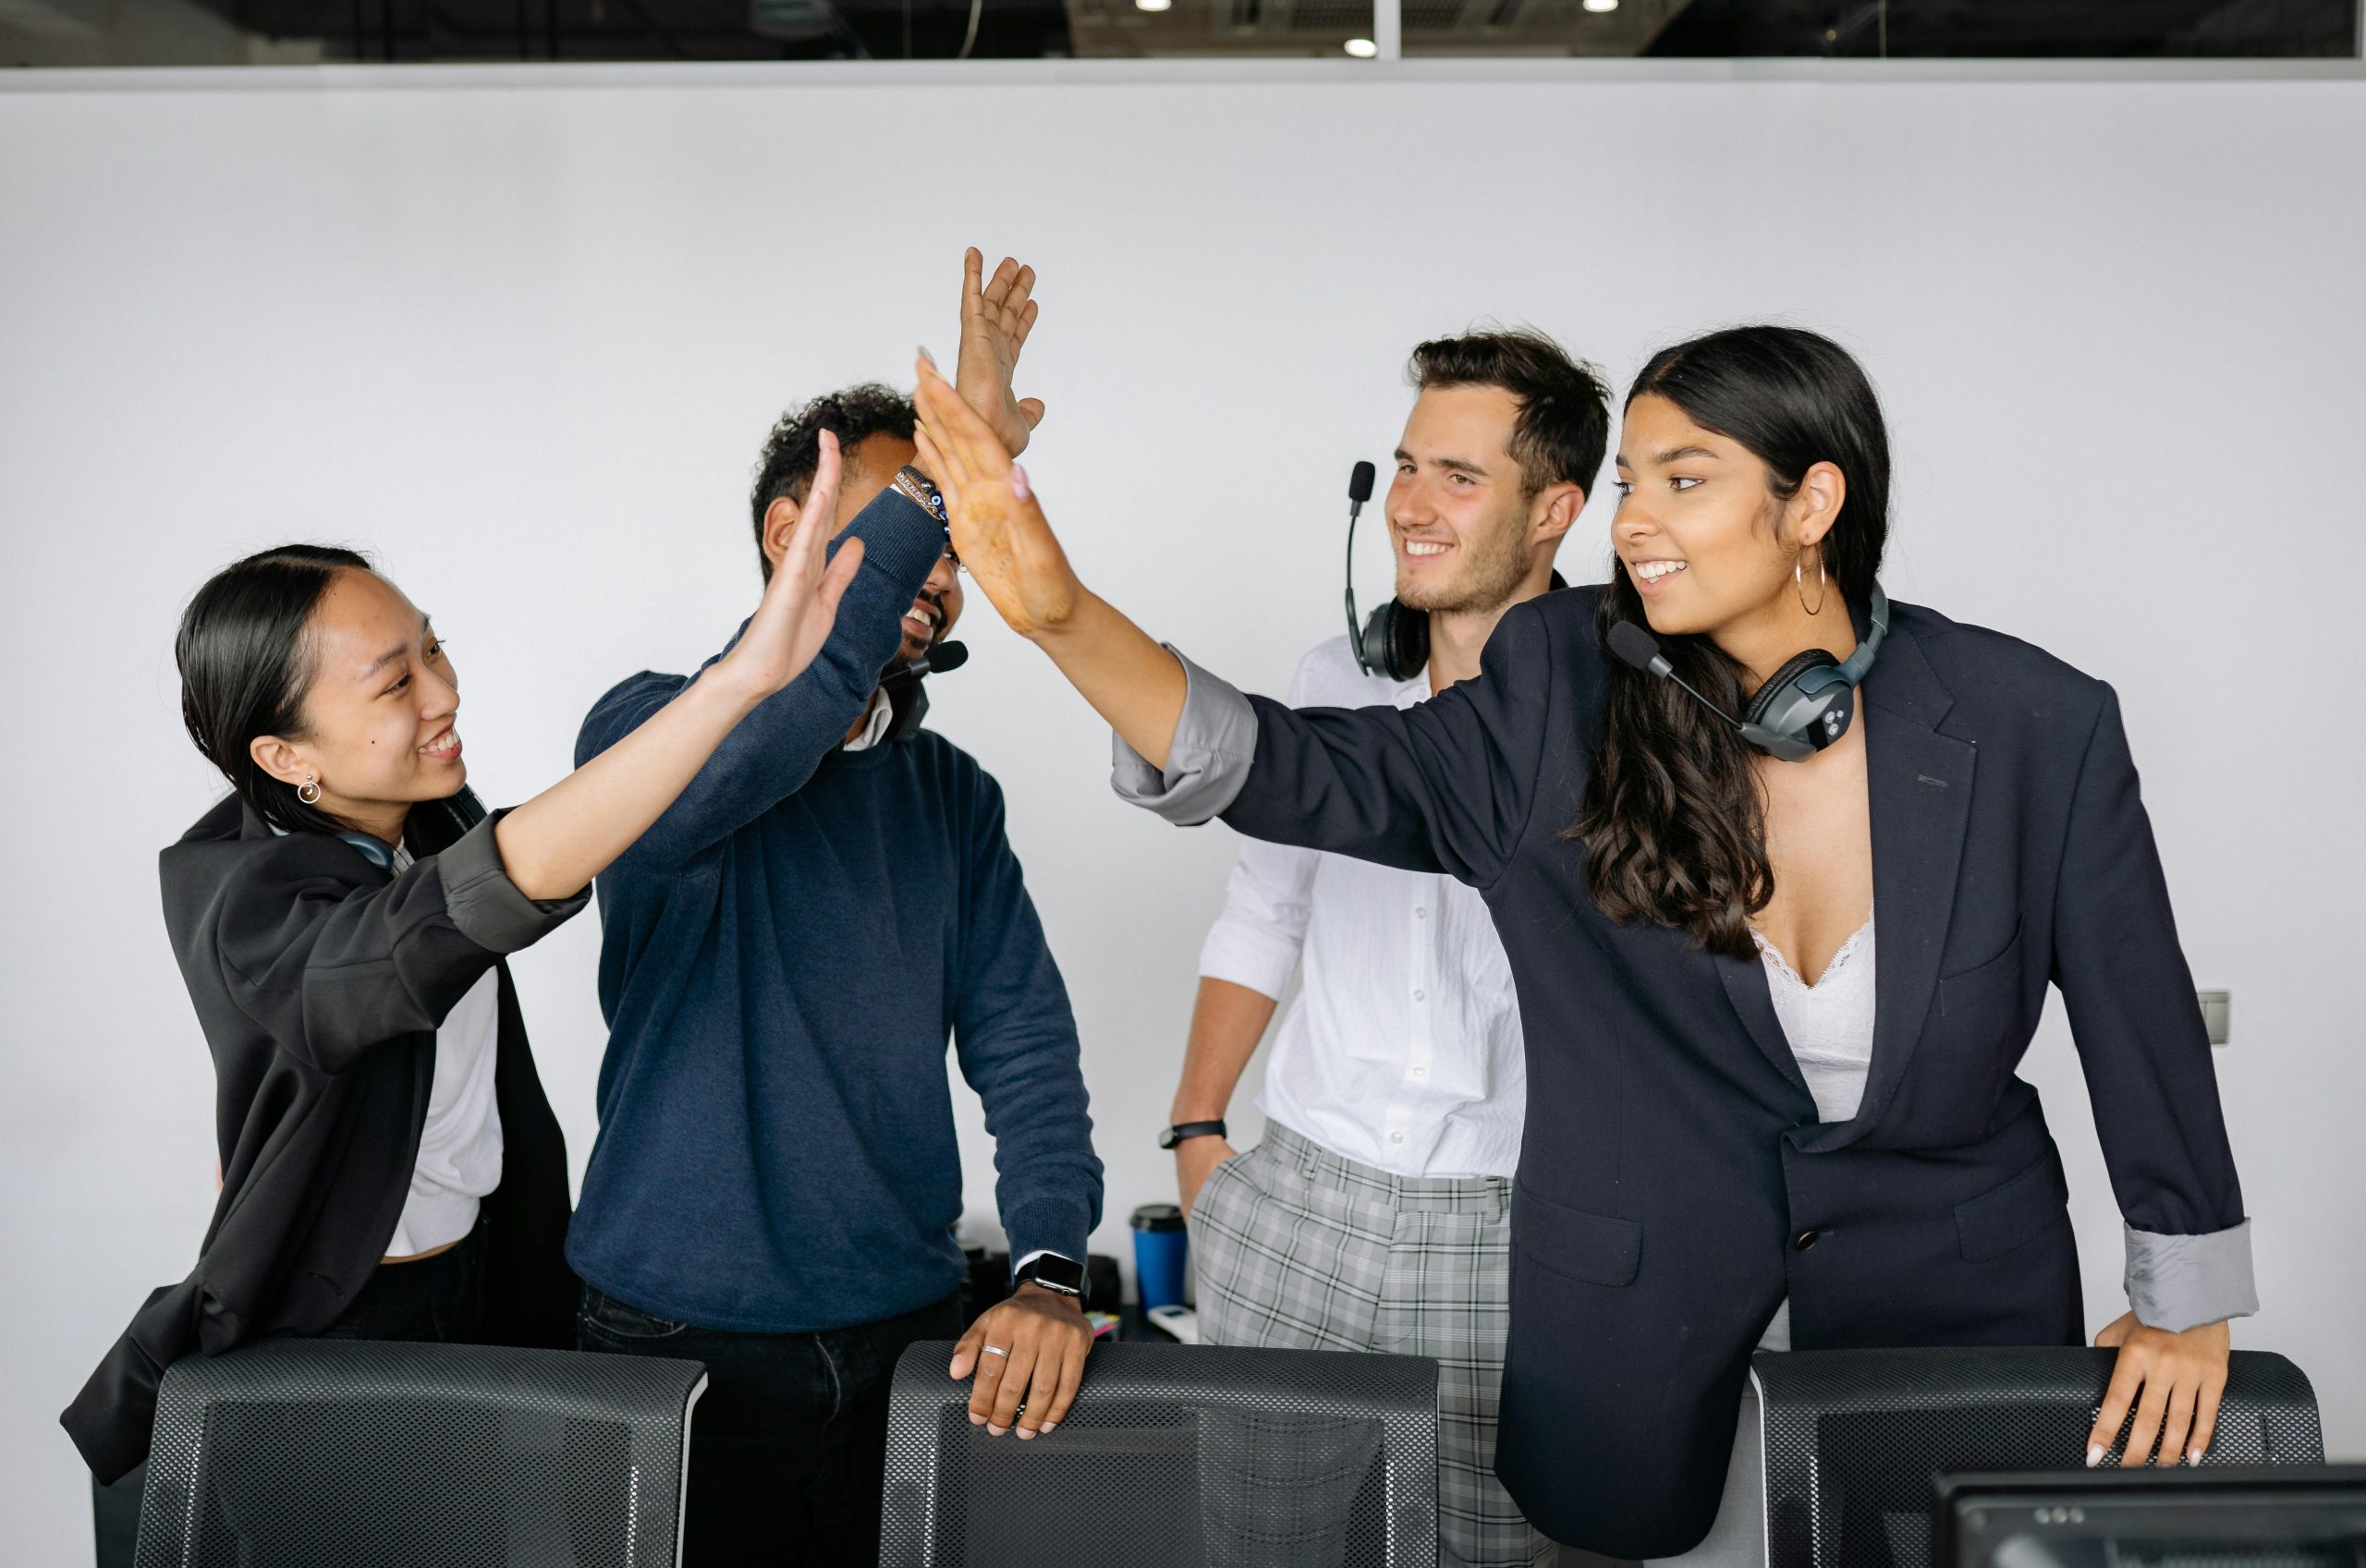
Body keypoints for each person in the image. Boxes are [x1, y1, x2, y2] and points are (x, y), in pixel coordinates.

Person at [904, 326, 2255, 1560]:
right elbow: (1308, 769)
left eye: (1684, 480)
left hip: (1949, 1315)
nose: (1634, 524)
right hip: (1641, 1324)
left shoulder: (2034, 721)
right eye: (1627, 486)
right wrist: (1060, 613)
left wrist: (2187, 1297)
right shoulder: (1565, 680)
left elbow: (2135, 1014)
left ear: (1812, 505)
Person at [61, 435, 902, 1500]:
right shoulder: (246, 904)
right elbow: (451, 913)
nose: (441, 694)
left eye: (434, 650)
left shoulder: (423, 816)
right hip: (332, 1337)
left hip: (482, 1284)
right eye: (393, 682)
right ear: (286, 756)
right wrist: (738, 683)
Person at [566, 250, 1104, 1565]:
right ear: (786, 535)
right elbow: (779, 721)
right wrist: (951, 460)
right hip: (669, 1332)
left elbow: (1027, 1048)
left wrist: (1049, 1267)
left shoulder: (950, 794)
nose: (938, 569)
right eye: (914, 525)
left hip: (904, 1327)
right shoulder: (641, 733)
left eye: (954, 540)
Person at [1171, 330, 1607, 1568]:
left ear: (1554, 511)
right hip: (1298, 1204)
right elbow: (1266, 910)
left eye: (1458, 476)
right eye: (1407, 466)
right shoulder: (1334, 679)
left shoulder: (1627, 717)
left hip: (1514, 1227)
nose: (1411, 504)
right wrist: (1197, 1131)